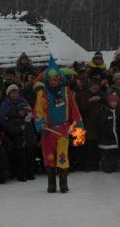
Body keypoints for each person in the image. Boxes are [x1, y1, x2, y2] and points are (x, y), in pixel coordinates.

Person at [34, 57, 83, 193]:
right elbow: (38, 111)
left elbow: (74, 109)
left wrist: (78, 125)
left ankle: (63, 183)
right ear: (47, 80)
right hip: (48, 130)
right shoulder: (42, 93)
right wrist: (41, 123)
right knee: (49, 157)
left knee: (62, 156)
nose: (53, 81)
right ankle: (51, 184)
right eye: (51, 79)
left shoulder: (66, 92)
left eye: (56, 79)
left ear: (59, 78)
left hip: (63, 129)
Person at [98, 91, 120, 174]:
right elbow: (102, 124)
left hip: (114, 135)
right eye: (112, 102)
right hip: (107, 136)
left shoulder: (117, 111)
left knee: (113, 152)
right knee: (106, 153)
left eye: (115, 102)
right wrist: (108, 131)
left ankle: (112, 166)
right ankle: (106, 167)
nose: (114, 103)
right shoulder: (105, 111)